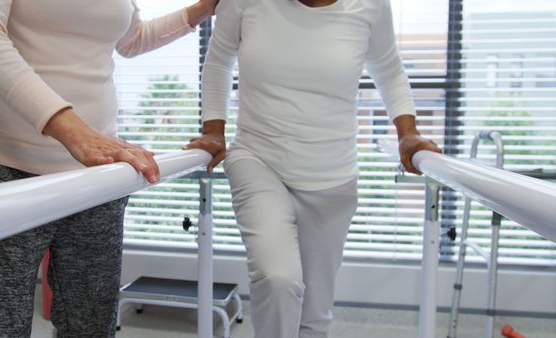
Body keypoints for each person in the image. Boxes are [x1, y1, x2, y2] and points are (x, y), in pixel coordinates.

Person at [0, 0, 217, 336]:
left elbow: (131, 38)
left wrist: (206, 7)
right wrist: (71, 129)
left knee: (90, 324)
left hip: (97, 178)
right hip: (5, 167)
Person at [185, 0, 442, 337]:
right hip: (258, 158)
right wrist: (213, 131)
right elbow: (219, 60)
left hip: (332, 175)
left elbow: (389, 69)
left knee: (314, 317)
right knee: (277, 278)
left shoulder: (370, 6)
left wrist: (408, 134)